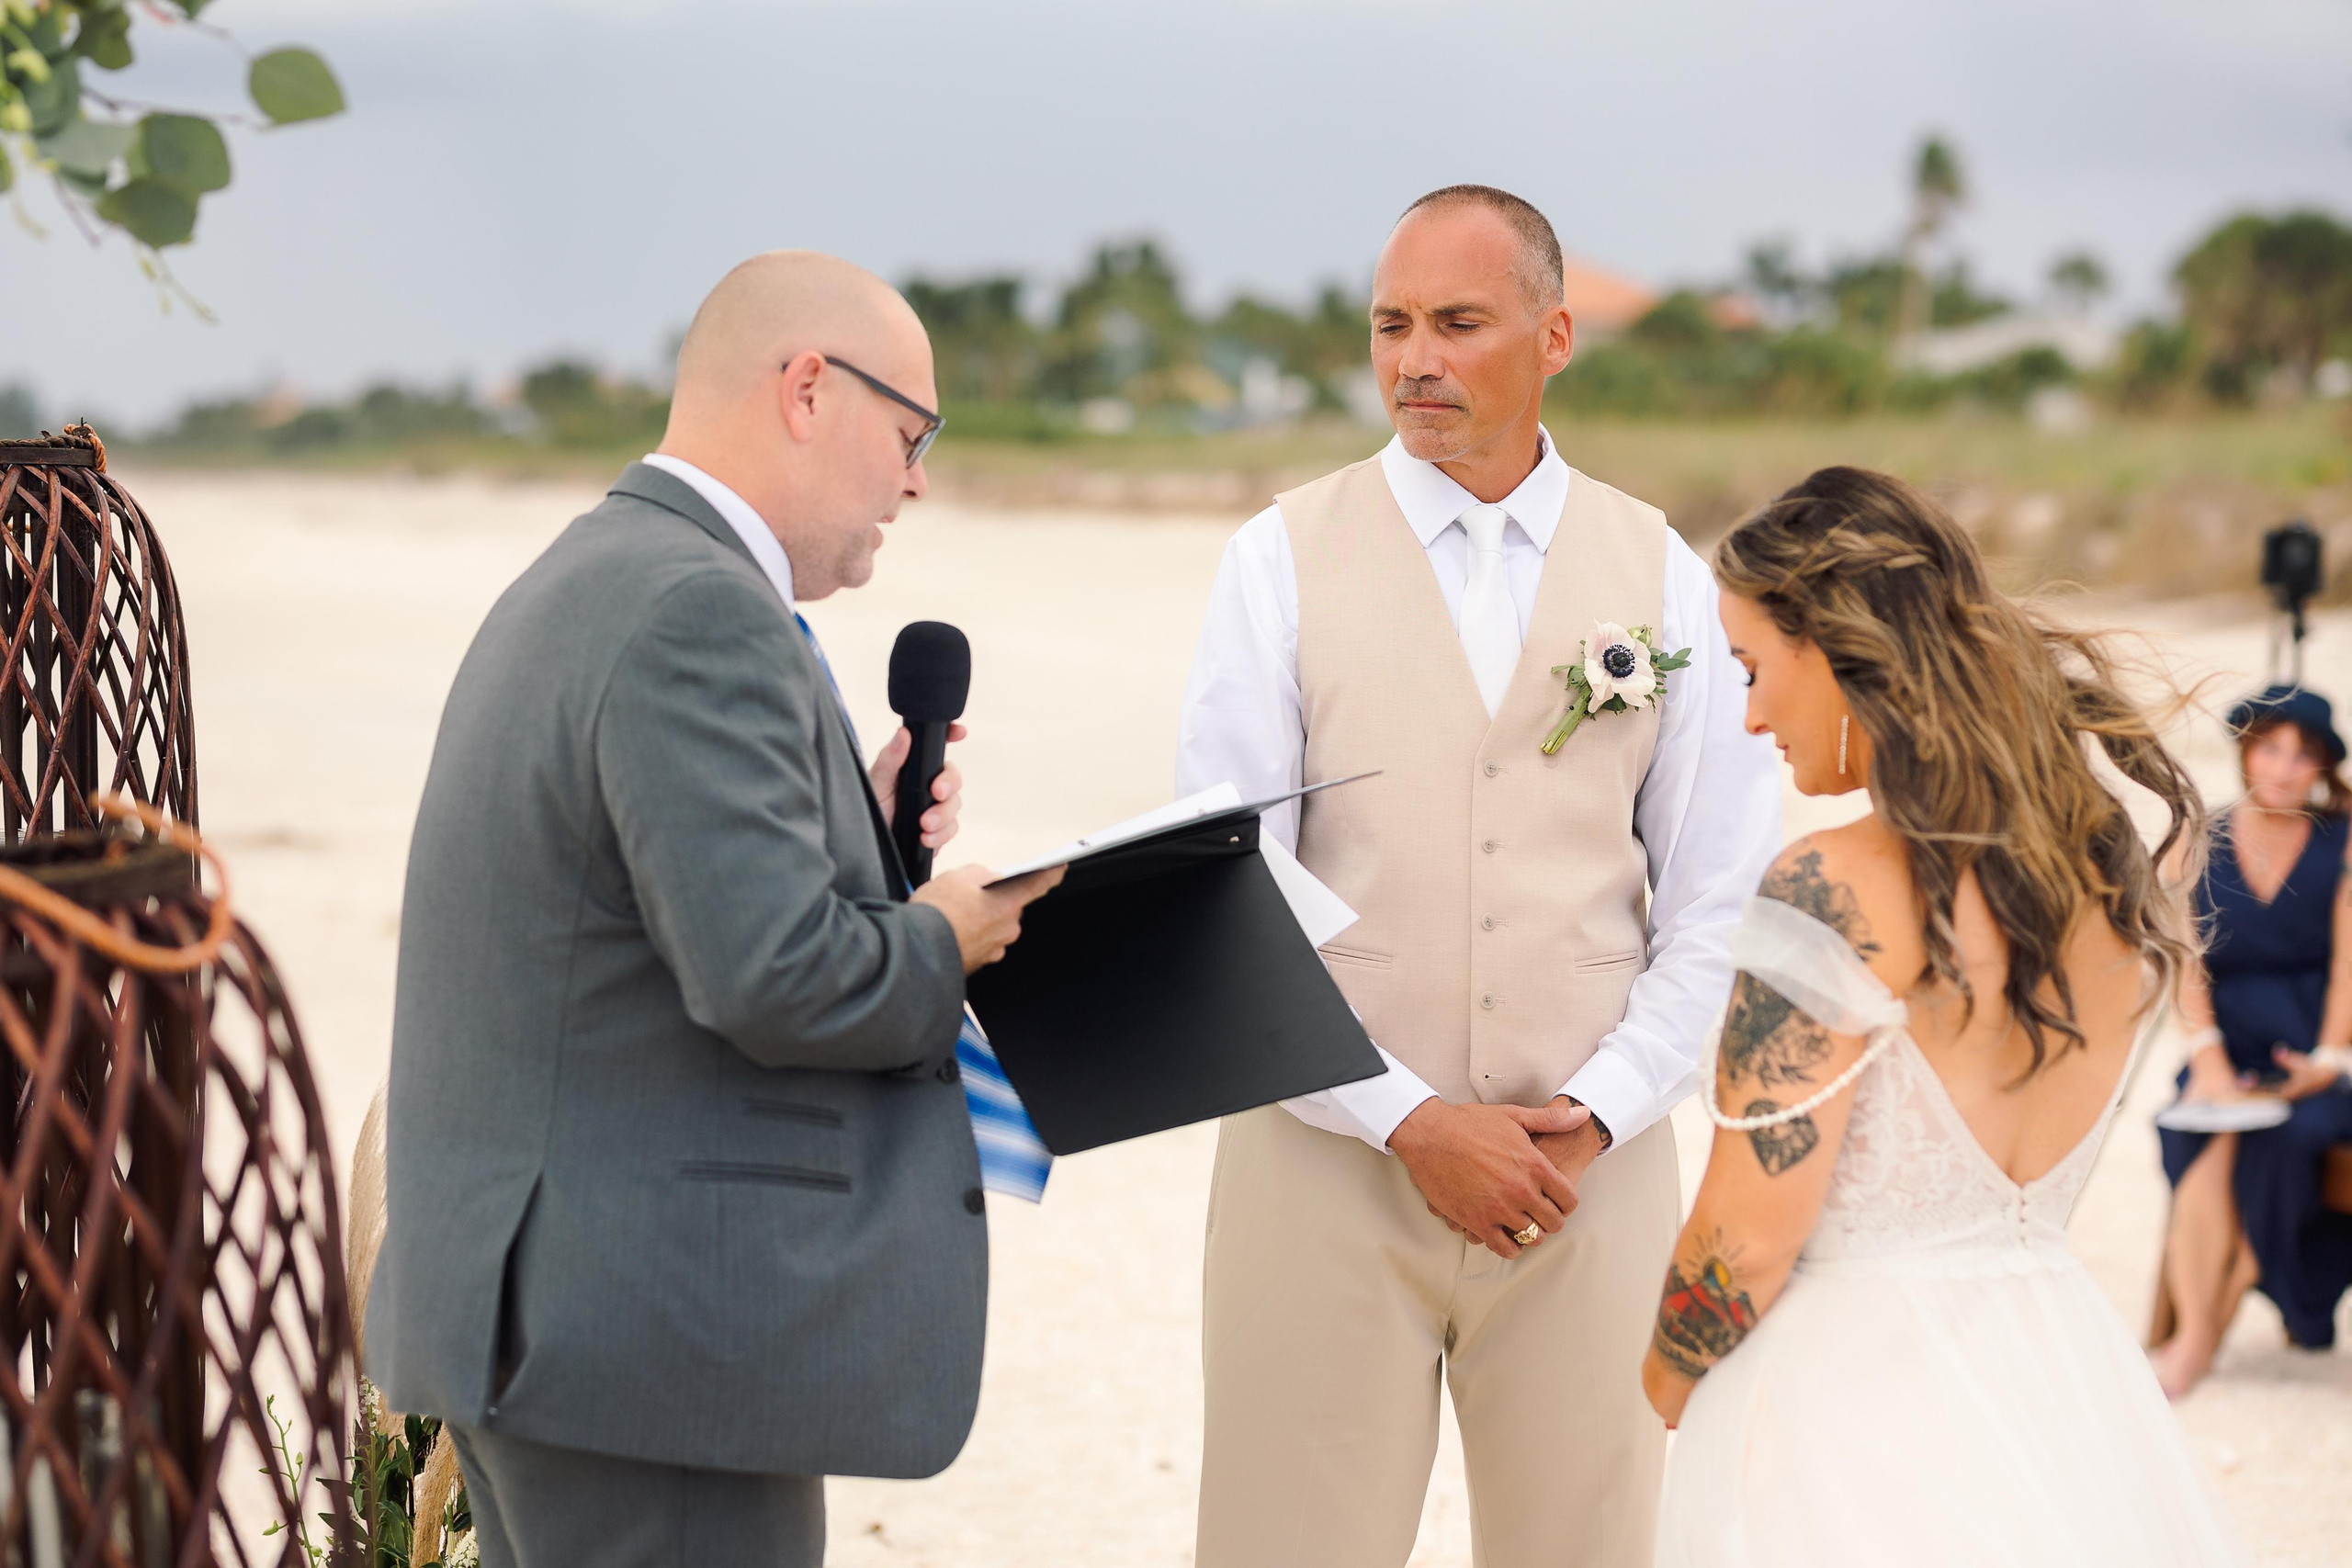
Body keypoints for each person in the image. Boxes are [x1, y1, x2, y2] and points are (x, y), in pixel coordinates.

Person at [367, 251, 1061, 1568]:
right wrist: (948, 933)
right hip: (649, 1355)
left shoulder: (601, 565)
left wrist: (860, 833)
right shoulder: (702, 609)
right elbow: (776, 980)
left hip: (555, 1327)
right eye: (912, 434)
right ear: (808, 389)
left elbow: (635, 909)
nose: (916, 480)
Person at [1177, 186, 1781, 1568]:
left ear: (1554, 337)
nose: (1414, 361)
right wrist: (1403, 1119)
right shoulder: (1278, 558)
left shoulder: (1660, 572)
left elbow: (1720, 893)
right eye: (1390, 325)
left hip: (1589, 1181)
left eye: (1456, 323)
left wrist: (1604, 1105)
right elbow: (1227, 887)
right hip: (1323, 1162)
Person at [1645, 467, 2236, 1564]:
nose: (1752, 715)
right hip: (2055, 1379)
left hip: (1848, 1406)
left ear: (1841, 648)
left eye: (1754, 669)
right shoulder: (2097, 873)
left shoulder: (1831, 885)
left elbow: (1748, 1238)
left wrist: (1664, 1383)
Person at [2151, 683, 2352, 1396]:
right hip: (2226, 1048)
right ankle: (2197, 1333)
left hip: (2312, 1056)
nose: (2284, 768)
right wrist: (2207, 1060)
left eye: (2302, 755)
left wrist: (2328, 1059)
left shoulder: (2341, 840)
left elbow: (2348, 967)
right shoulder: (2199, 835)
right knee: (2201, 1126)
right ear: (2245, 752)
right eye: (2270, 749)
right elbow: (2186, 961)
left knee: (2284, 1134)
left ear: (2321, 766)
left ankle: (2200, 1335)